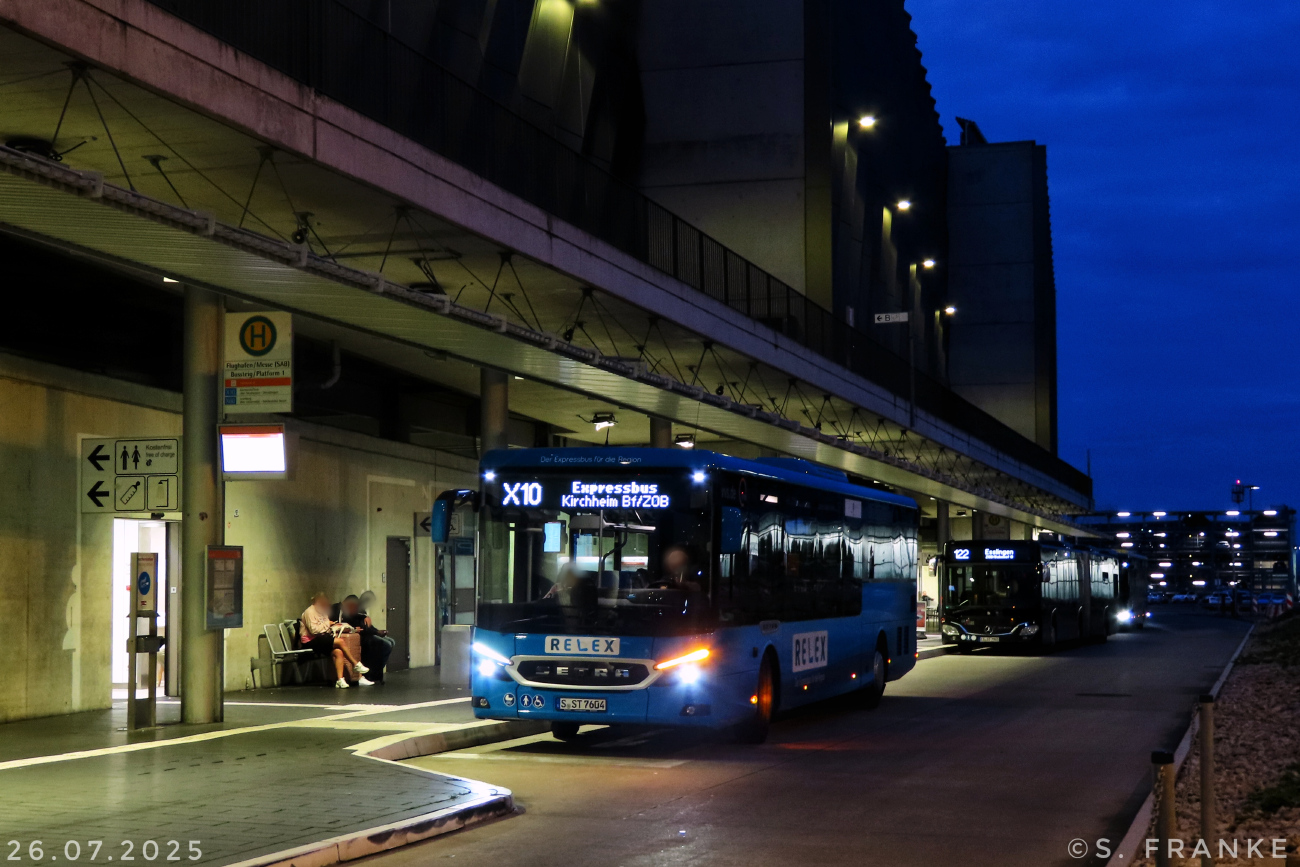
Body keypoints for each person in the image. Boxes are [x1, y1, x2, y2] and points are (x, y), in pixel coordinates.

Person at [300, 591, 373, 688]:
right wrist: (328, 624)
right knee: (340, 641)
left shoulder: (322, 611)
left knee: (338, 652)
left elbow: (325, 625)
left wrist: (332, 625)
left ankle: (340, 680)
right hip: (310, 641)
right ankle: (355, 664)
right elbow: (314, 630)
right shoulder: (309, 612)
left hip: (321, 638)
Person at [334, 594, 394, 684]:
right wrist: (375, 632)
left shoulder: (358, 611)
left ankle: (376, 671)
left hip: (368, 633)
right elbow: (346, 625)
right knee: (386, 645)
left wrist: (375, 629)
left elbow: (366, 624)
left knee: (391, 641)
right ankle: (372, 673)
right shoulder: (340, 611)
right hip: (361, 636)